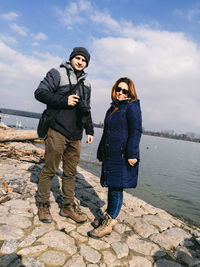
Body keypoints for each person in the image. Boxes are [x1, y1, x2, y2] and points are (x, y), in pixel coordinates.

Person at [34, 47, 94, 224]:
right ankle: (43, 204)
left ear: (86, 64)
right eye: (77, 58)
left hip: (76, 135)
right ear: (71, 59)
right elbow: (40, 93)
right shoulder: (57, 73)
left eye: (84, 60)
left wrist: (89, 130)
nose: (80, 62)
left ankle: (67, 207)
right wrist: (64, 100)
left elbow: (86, 109)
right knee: (50, 169)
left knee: (70, 173)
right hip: (57, 130)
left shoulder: (87, 83)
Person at [88, 77, 142, 238]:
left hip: (123, 155)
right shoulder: (113, 108)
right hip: (111, 154)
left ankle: (109, 223)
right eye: (118, 89)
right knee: (112, 186)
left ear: (130, 92)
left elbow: (136, 131)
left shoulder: (131, 107)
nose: (120, 92)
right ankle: (108, 217)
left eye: (124, 90)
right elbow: (106, 133)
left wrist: (132, 154)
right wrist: (100, 152)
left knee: (117, 189)